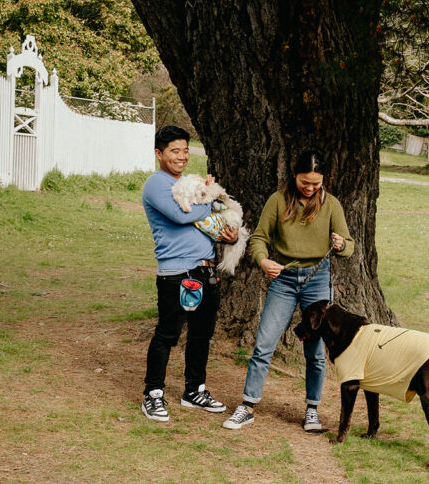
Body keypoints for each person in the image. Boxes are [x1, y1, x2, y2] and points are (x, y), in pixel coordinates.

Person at [222, 149, 354, 431]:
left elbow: (349, 246)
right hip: (283, 279)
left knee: (315, 351)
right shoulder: (278, 200)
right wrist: (262, 260)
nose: (310, 188)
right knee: (265, 342)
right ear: (294, 175)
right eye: (305, 182)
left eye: (315, 184)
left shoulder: (331, 205)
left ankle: (312, 410)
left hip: (317, 280)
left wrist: (341, 244)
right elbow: (259, 238)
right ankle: (247, 406)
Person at [141, 125, 239, 422]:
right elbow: (181, 214)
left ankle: (194, 390)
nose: (182, 156)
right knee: (167, 334)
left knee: (201, 334)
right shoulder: (157, 184)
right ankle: (153, 393)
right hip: (177, 273)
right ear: (159, 153)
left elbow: (211, 220)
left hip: (206, 270)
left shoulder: (187, 182)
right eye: (174, 151)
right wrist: (210, 198)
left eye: (185, 150)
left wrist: (229, 237)